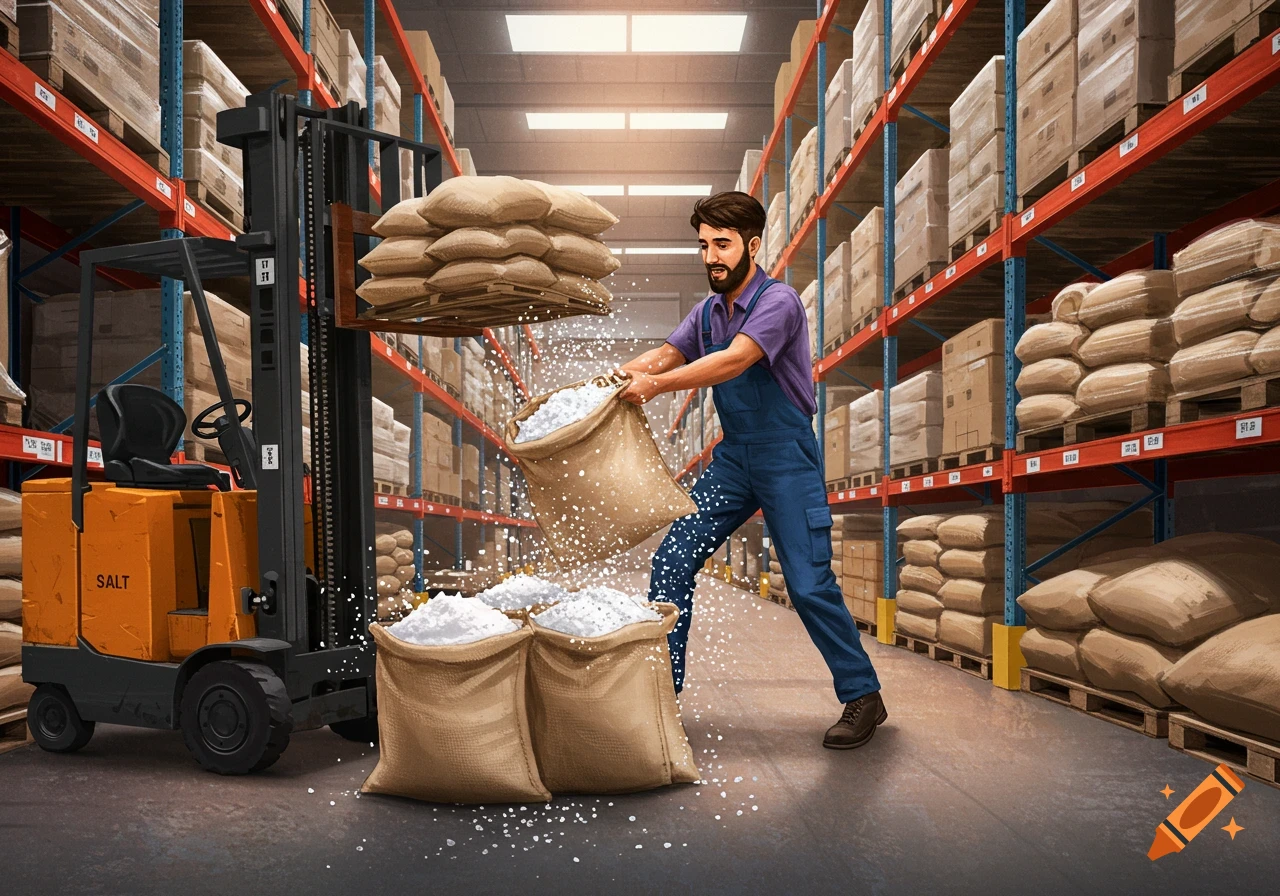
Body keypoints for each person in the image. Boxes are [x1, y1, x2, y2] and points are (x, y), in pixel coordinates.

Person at [617, 191, 886, 750]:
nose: (711, 256)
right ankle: (663, 696)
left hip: (785, 455)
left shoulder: (779, 301)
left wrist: (657, 387)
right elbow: (663, 356)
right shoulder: (707, 312)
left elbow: (735, 360)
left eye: (722, 244)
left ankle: (863, 695)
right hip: (736, 457)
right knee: (672, 558)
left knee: (809, 584)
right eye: (703, 245)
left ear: (752, 245)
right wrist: (611, 382)